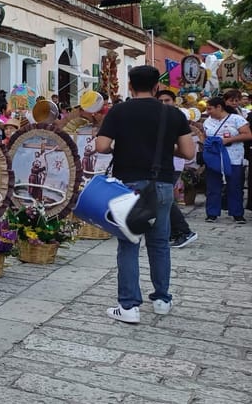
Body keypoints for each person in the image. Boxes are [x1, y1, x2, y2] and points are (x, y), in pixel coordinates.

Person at [96, 65, 194, 324]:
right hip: (160, 184)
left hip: (128, 186)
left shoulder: (119, 110)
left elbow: (102, 146)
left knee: (128, 244)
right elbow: (188, 152)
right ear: (156, 87)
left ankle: (128, 306)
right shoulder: (172, 113)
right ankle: (162, 299)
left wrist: (123, 145)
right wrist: (162, 149)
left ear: (129, 86)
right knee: (160, 243)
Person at [157, 90, 197, 247]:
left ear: (174, 101)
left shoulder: (178, 116)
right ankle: (174, 231)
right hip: (161, 163)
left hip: (174, 163)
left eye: (167, 100)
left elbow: (186, 147)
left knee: (165, 200)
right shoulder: (157, 116)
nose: (164, 104)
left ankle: (183, 230)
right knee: (164, 199)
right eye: (160, 101)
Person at [201, 96, 250, 223]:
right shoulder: (208, 122)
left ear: (219, 107)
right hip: (214, 157)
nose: (208, 111)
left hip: (233, 157)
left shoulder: (236, 119)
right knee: (213, 186)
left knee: (235, 186)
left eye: (210, 108)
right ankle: (212, 213)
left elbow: (248, 134)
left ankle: (237, 213)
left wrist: (228, 140)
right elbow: (205, 137)